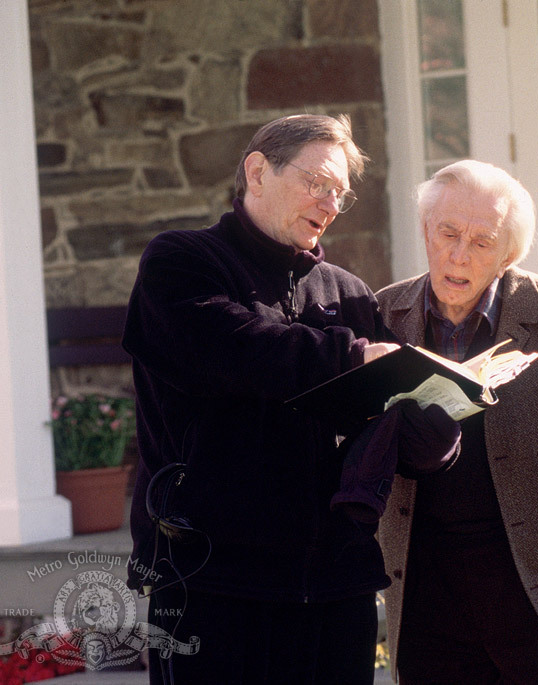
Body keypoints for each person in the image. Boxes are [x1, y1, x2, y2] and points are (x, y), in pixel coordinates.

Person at [122, 113, 444, 684]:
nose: (328, 203)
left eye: (339, 195)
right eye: (316, 183)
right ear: (257, 171)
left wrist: (442, 412)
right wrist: (352, 359)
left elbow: (391, 423)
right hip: (211, 579)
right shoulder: (181, 262)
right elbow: (238, 349)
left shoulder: (348, 292)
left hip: (335, 584)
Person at [375, 160, 538, 684]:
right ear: (426, 231)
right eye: (447, 233)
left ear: (508, 254)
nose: (457, 255)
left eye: (481, 242)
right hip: (428, 601)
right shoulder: (383, 316)